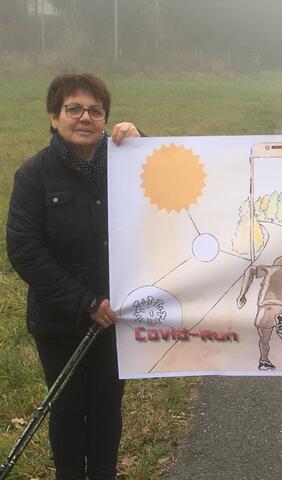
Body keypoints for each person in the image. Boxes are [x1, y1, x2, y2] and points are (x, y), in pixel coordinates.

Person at [6, 73, 141, 480]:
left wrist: (142, 143)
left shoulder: (125, 164)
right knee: (66, 410)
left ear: (105, 118)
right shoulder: (33, 176)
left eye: (95, 110)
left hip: (117, 317)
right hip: (59, 319)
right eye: (74, 108)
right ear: (54, 117)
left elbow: (159, 191)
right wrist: (85, 302)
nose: (85, 117)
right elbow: (25, 251)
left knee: (106, 407)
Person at [236, 255, 282, 370]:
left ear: (275, 263)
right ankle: (280, 325)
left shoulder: (268, 269)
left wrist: (242, 294)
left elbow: (250, 270)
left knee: (264, 339)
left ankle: (264, 361)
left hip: (265, 307)